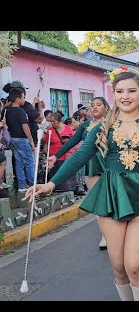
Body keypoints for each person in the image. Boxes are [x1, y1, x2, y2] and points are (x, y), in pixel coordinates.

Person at [24, 68, 139, 301]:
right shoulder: (103, 126)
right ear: (114, 94)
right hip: (112, 194)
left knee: (136, 265)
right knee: (119, 267)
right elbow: (81, 156)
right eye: (120, 91)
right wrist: (51, 183)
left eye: (131, 91)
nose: (125, 96)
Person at [47, 97, 110, 250]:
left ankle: (117, 229)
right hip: (90, 164)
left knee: (111, 198)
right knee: (97, 200)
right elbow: (71, 142)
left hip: (109, 164)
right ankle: (105, 234)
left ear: (106, 107)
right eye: (92, 105)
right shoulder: (86, 126)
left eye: (98, 105)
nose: (94, 108)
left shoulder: (111, 123)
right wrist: (56, 156)